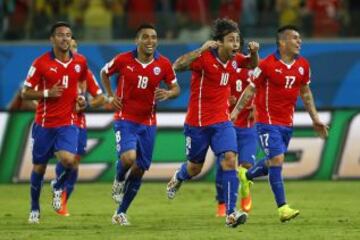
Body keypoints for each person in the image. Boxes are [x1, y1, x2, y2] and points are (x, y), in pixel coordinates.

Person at [166, 18, 259, 228]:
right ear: (218, 42)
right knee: (194, 168)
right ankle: (178, 177)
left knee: (229, 159)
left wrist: (253, 52)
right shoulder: (204, 58)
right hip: (197, 123)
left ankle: (230, 213)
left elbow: (252, 64)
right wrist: (200, 49)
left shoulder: (236, 60)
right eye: (230, 40)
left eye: (237, 40)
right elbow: (177, 66)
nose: (236, 44)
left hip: (222, 121)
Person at [231, 25, 329, 223]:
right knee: (277, 160)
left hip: (287, 124)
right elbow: (250, 90)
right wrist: (234, 113)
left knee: (271, 162)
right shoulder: (266, 65)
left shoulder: (303, 65)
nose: (299, 41)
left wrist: (315, 118)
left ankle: (246, 175)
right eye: (295, 38)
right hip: (267, 122)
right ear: (282, 42)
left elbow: (306, 94)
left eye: (299, 38)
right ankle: (283, 208)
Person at [100, 23, 180, 226]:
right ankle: (119, 180)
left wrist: (169, 93)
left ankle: (120, 213)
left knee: (140, 169)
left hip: (149, 122)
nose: (150, 41)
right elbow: (104, 72)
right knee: (128, 158)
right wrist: (110, 96)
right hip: (125, 119)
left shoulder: (163, 63)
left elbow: (176, 87)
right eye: (145, 37)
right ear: (137, 40)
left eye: (153, 37)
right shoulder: (123, 59)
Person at [22, 22, 89, 224]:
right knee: (39, 168)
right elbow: (25, 92)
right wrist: (46, 93)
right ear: (52, 39)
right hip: (44, 124)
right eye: (60, 35)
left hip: (68, 123)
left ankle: (58, 186)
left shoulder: (80, 62)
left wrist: (81, 99)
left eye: (68, 35)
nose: (65, 38)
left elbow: (81, 84)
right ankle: (34, 207)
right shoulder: (40, 63)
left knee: (70, 161)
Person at [53, 37, 106, 216]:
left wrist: (87, 103)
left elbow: (100, 97)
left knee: (74, 162)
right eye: (70, 46)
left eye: (75, 46)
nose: (72, 49)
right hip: (58, 122)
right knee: (66, 160)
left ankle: (62, 200)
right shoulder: (52, 69)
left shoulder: (85, 73)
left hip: (79, 123)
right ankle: (57, 188)